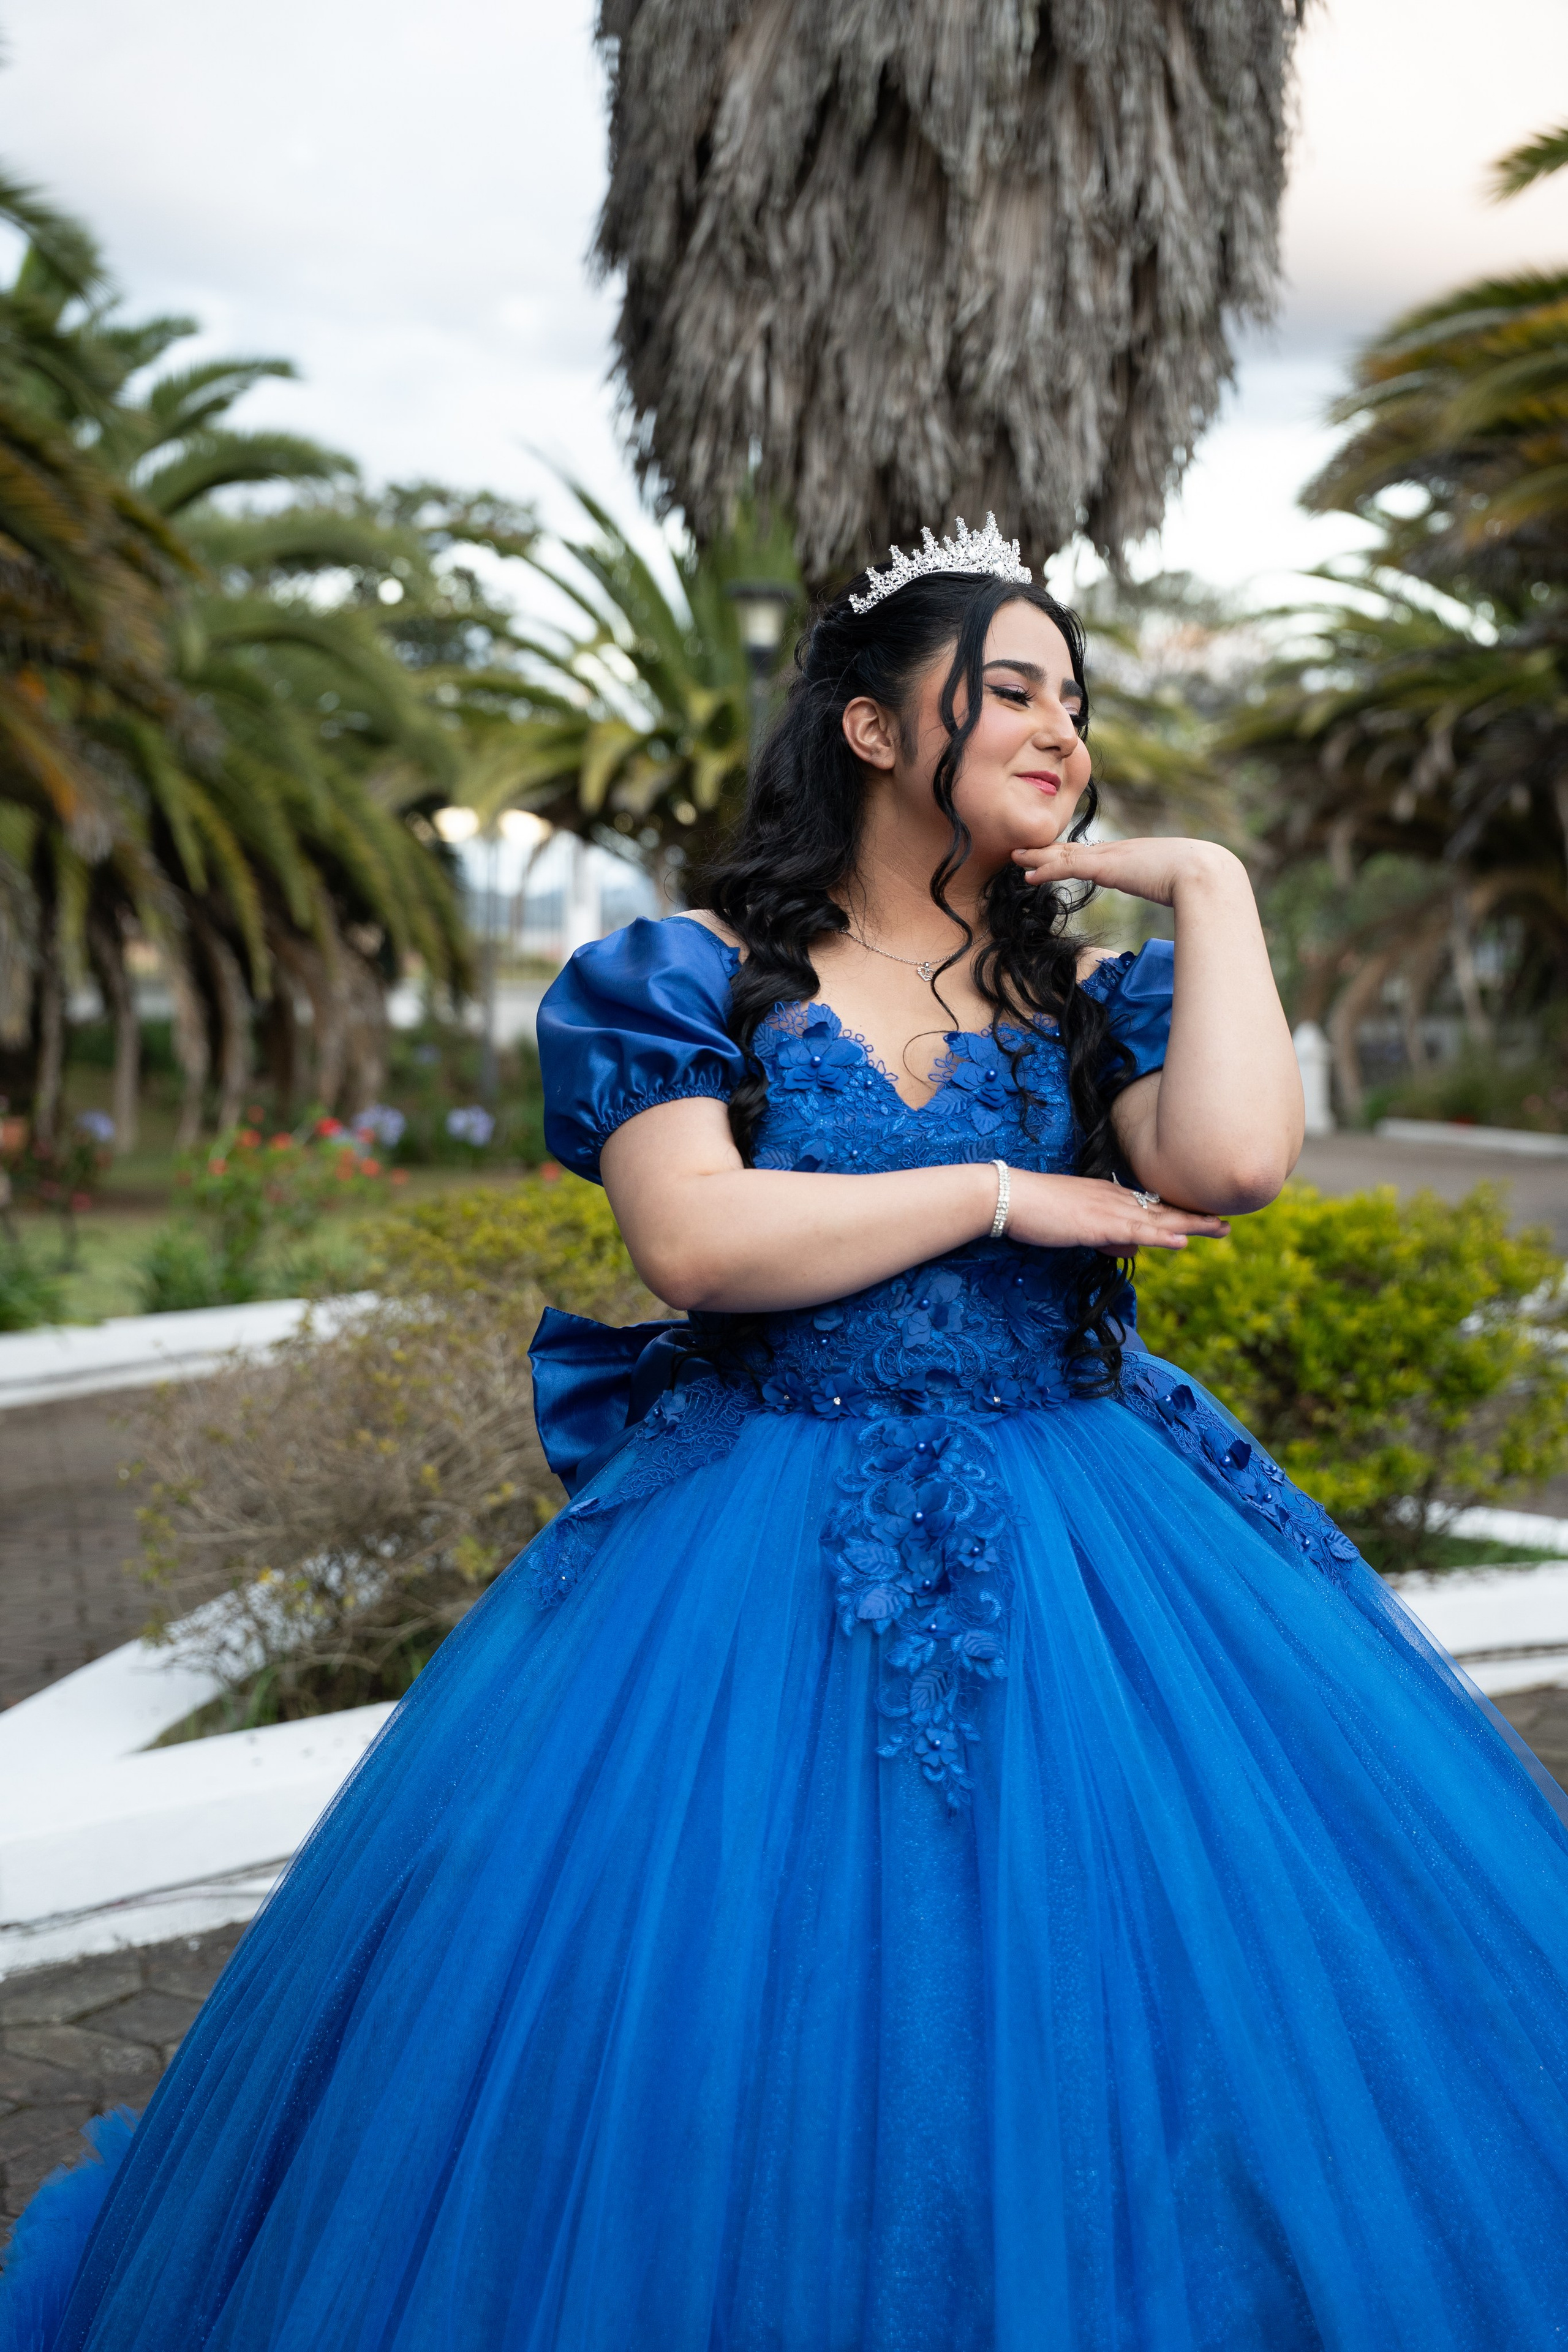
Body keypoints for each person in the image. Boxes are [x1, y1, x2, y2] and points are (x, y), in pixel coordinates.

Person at [7, 518, 1568, 2352]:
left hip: (1096, 1535)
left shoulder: (1083, 997)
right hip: (757, 1541)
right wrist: (1003, 1196)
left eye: (1077, 698)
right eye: (1009, 689)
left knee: (1136, 1996)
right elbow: (698, 1244)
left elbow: (1230, 1165)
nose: (1060, 728)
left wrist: (1209, 887)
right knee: (727, 2011)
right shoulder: (690, 974)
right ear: (874, 729)